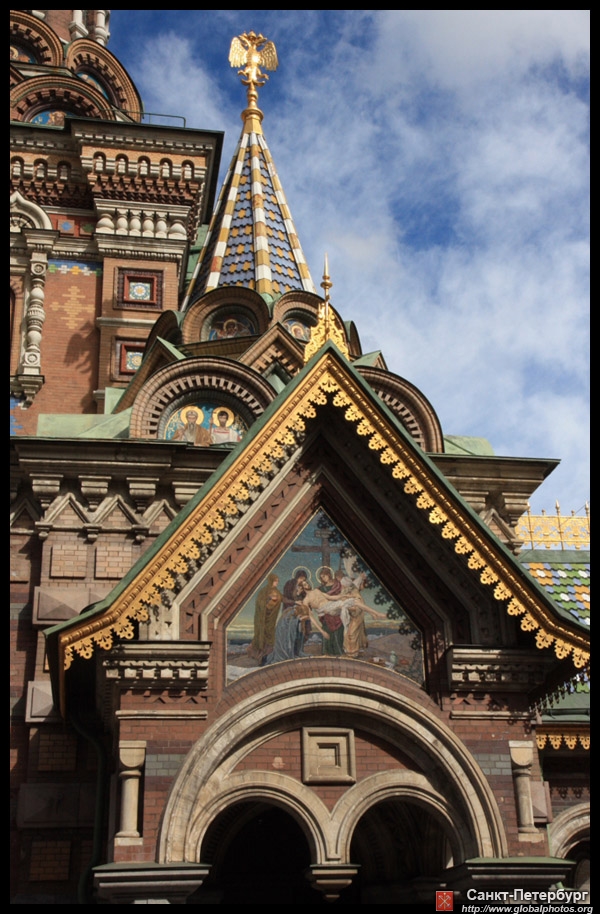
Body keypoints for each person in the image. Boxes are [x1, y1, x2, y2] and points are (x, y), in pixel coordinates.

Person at [247, 574, 283, 663]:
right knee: (263, 635)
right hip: (263, 618)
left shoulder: (277, 591)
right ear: (271, 581)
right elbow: (260, 603)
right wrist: (269, 599)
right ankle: (261, 655)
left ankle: (268, 656)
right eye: (275, 581)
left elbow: (282, 599)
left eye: (277, 581)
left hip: (271, 620)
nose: (277, 582)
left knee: (270, 635)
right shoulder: (264, 591)